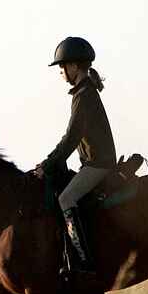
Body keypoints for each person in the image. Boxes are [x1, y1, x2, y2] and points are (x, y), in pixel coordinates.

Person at [43, 36, 115, 273]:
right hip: (93, 163)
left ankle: (83, 261)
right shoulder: (84, 92)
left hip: (98, 164)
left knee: (66, 199)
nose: (61, 71)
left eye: (62, 66)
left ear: (74, 66)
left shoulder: (83, 95)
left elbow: (71, 137)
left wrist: (48, 163)